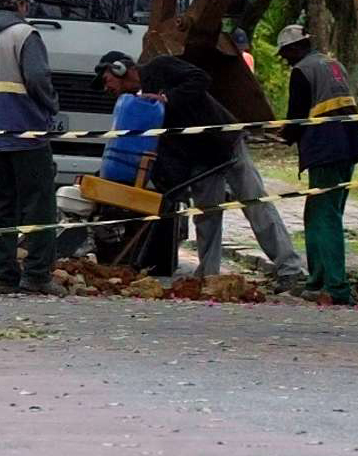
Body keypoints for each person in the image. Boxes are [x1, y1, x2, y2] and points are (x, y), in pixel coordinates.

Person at [96, 51, 307, 287]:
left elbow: (201, 79)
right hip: (199, 159)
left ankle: (289, 269)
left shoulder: (160, 66)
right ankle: (209, 277)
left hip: (225, 143)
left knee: (256, 205)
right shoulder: (139, 103)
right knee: (207, 219)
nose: (106, 89)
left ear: (119, 69)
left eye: (106, 81)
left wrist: (167, 98)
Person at [0, 0, 65, 295]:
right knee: (39, 204)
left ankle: (5, 278)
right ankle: (37, 276)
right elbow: (37, 78)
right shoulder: (24, 34)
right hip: (26, 129)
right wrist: (52, 106)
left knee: (1, 206)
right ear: (21, 5)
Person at [276, 24, 358, 306]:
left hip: (326, 146)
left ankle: (337, 288)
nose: (285, 59)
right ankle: (316, 280)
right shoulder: (332, 62)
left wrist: (285, 135)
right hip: (349, 143)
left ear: (295, 48)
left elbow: (297, 116)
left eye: (285, 53)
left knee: (326, 216)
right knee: (318, 214)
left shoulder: (303, 70)